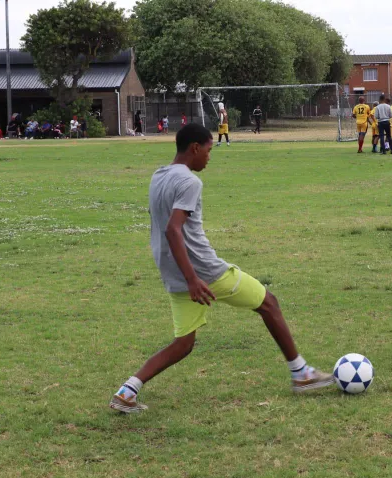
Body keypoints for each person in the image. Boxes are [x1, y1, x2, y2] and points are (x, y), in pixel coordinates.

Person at [109, 124, 334, 413]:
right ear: (195, 148)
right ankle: (301, 374)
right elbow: (172, 230)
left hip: (173, 273)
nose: (209, 157)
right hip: (204, 272)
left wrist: (185, 277)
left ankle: (128, 390)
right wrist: (193, 279)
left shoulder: (159, 175)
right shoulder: (190, 182)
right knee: (268, 303)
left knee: (184, 343)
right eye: (208, 150)